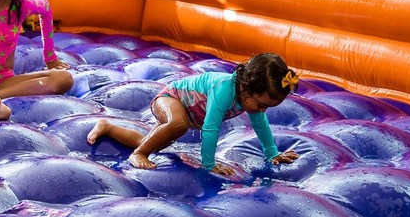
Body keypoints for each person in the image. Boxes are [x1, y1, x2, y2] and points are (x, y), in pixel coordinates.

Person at [88, 52, 301, 174]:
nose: (262, 110)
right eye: (261, 104)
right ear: (247, 88)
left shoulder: (250, 98)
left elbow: (261, 126)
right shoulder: (224, 90)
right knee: (177, 125)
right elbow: (210, 127)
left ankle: (108, 127)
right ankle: (139, 154)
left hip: (186, 113)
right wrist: (209, 164)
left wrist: (272, 153)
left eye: (267, 107)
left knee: (152, 140)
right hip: (171, 98)